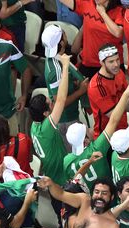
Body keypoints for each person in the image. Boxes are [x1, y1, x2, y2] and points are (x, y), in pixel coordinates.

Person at [65, 76, 129, 194]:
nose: (89, 129)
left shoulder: (67, 161)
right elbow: (113, 120)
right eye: (86, 130)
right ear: (86, 140)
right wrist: (125, 95)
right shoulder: (97, 148)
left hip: (90, 202)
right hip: (108, 197)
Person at [29, 53, 73, 201]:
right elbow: (61, 99)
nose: (53, 102)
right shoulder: (46, 128)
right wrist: (66, 66)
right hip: (60, 182)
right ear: (46, 113)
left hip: (51, 176)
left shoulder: (34, 126)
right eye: (50, 103)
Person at [41, 24, 90, 132]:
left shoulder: (57, 58)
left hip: (70, 117)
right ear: (62, 42)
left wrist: (73, 84)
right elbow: (59, 103)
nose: (65, 34)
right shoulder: (56, 70)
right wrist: (80, 91)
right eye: (63, 33)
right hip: (66, 122)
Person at [87, 44, 129, 138]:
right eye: (111, 61)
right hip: (107, 137)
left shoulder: (119, 73)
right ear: (102, 63)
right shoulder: (97, 86)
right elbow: (114, 116)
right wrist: (128, 94)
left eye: (117, 60)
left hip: (123, 129)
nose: (116, 64)